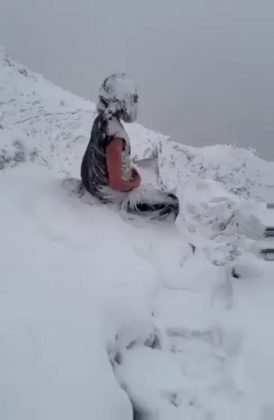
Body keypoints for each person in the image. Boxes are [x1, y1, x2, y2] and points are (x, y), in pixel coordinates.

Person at [80, 73, 179, 221]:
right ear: (121, 101)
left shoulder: (101, 121)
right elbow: (117, 182)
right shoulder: (116, 136)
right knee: (172, 203)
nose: (135, 102)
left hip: (93, 184)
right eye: (133, 98)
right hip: (109, 192)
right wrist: (135, 181)